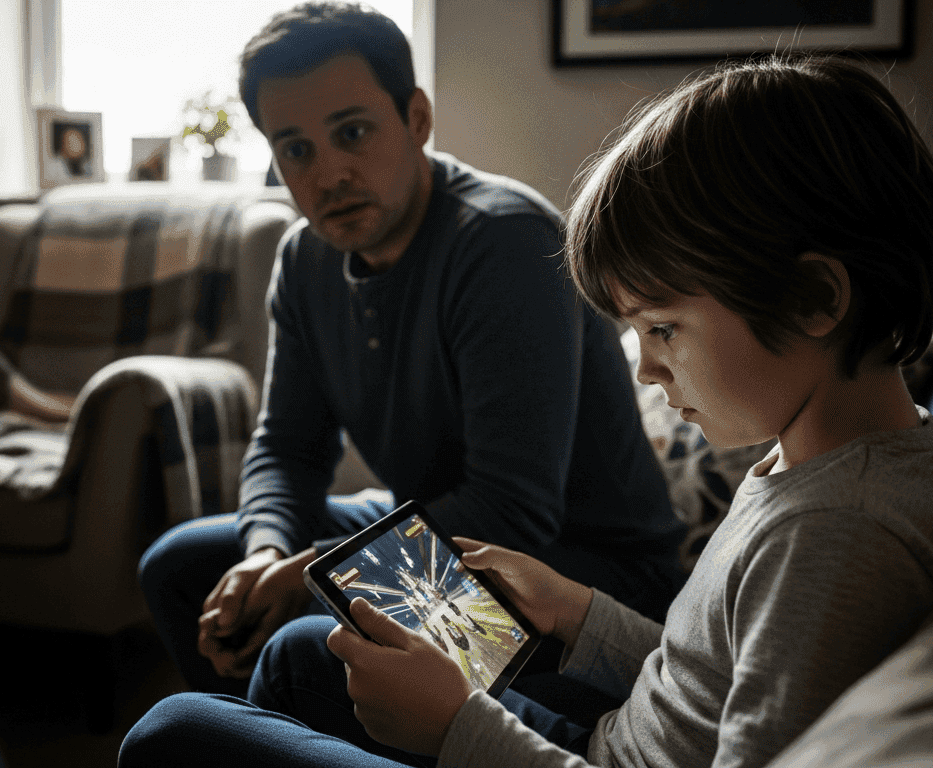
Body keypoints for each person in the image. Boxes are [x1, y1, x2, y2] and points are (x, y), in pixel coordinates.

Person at [120, 53, 933, 768]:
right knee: (272, 629)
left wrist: (458, 727)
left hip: (579, 700)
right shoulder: (802, 464)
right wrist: (580, 616)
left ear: (814, 299)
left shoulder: (838, 534)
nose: (643, 366)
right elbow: (700, 682)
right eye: (294, 148)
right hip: (603, 726)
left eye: (662, 328)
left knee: (175, 730)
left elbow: (516, 510)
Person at [138, 0, 686, 701]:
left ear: (417, 119)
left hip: (574, 572)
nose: (328, 174)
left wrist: (311, 572)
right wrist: (267, 551)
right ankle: (249, 736)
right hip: (434, 531)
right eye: (296, 149)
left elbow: (513, 513)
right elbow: (288, 448)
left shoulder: (504, 242)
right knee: (183, 565)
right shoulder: (305, 260)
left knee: (312, 643)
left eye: (353, 133)